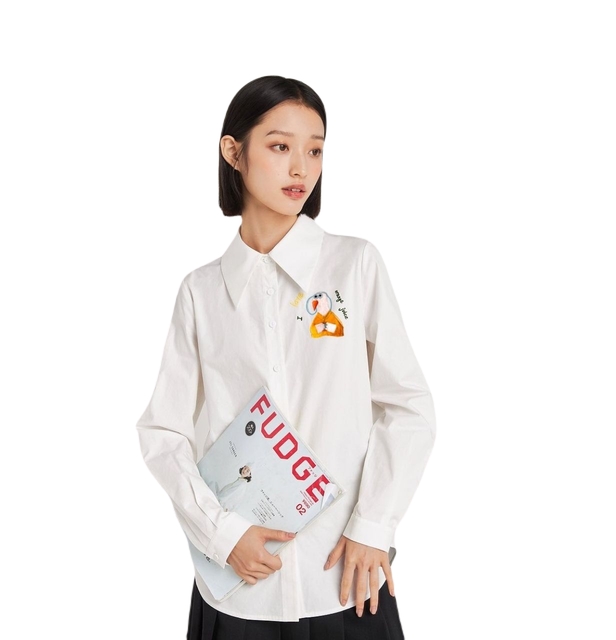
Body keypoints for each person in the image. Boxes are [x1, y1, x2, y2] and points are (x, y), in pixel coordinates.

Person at [136, 75, 436, 639]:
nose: (301, 167)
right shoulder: (201, 293)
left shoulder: (355, 265)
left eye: (315, 150)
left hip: (345, 582)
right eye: (280, 146)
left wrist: (374, 525)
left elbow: (408, 406)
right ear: (234, 152)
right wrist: (222, 534)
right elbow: (163, 432)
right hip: (239, 591)